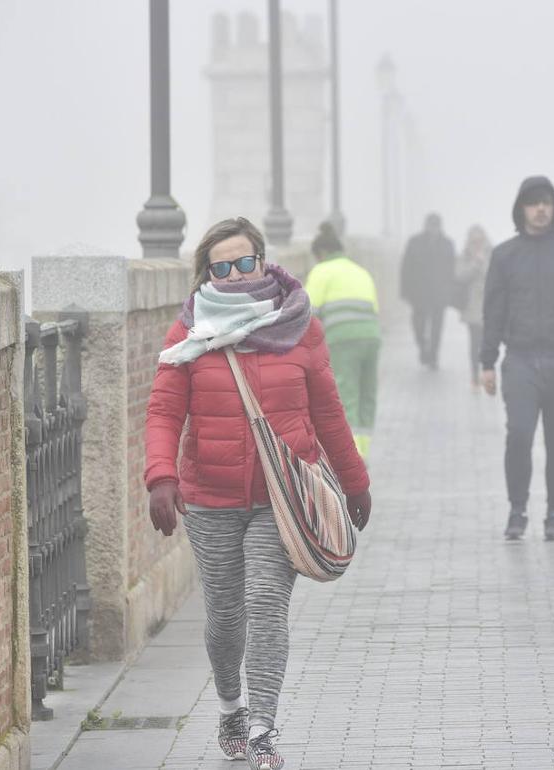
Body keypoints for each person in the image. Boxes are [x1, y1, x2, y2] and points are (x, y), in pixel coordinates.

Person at [145, 217, 372, 767]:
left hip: (283, 495)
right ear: (207, 274)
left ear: (263, 262)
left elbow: (328, 411)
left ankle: (262, 728)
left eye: (245, 263)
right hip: (210, 497)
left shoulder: (300, 325)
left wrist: (355, 480)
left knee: (266, 604)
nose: (235, 275)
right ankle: (231, 707)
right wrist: (161, 477)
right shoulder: (190, 332)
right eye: (221, 267)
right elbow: (164, 410)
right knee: (226, 616)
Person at [481, 176, 554, 541]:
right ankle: (517, 509)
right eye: (533, 203)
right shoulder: (505, 256)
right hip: (520, 361)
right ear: (521, 209)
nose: (540, 209)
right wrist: (487, 362)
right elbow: (493, 311)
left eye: (546, 202)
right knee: (519, 434)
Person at [305, 222, 382, 458]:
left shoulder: (321, 271)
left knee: (346, 394)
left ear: (321, 253)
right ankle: (364, 449)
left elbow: (308, 314)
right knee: (367, 394)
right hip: (371, 337)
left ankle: (354, 454)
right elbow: (375, 308)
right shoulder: (361, 271)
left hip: (342, 339)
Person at [399, 212, 456, 369]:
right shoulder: (414, 242)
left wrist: (450, 293)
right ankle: (423, 346)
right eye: (431, 225)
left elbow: (452, 270)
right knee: (418, 325)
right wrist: (404, 291)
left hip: (440, 293)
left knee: (437, 327)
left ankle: (433, 357)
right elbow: (406, 268)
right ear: (426, 226)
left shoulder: (447, 244)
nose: (433, 229)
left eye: (436, 226)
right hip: (419, 293)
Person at [454, 225, 492, 389]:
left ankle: (487, 372)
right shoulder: (464, 255)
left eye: (479, 240)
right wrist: (476, 264)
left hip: (489, 304)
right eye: (474, 241)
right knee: (474, 342)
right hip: (471, 305)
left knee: (487, 343)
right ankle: (474, 376)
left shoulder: (492, 252)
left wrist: (483, 263)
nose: (477, 244)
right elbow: (459, 275)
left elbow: (497, 273)